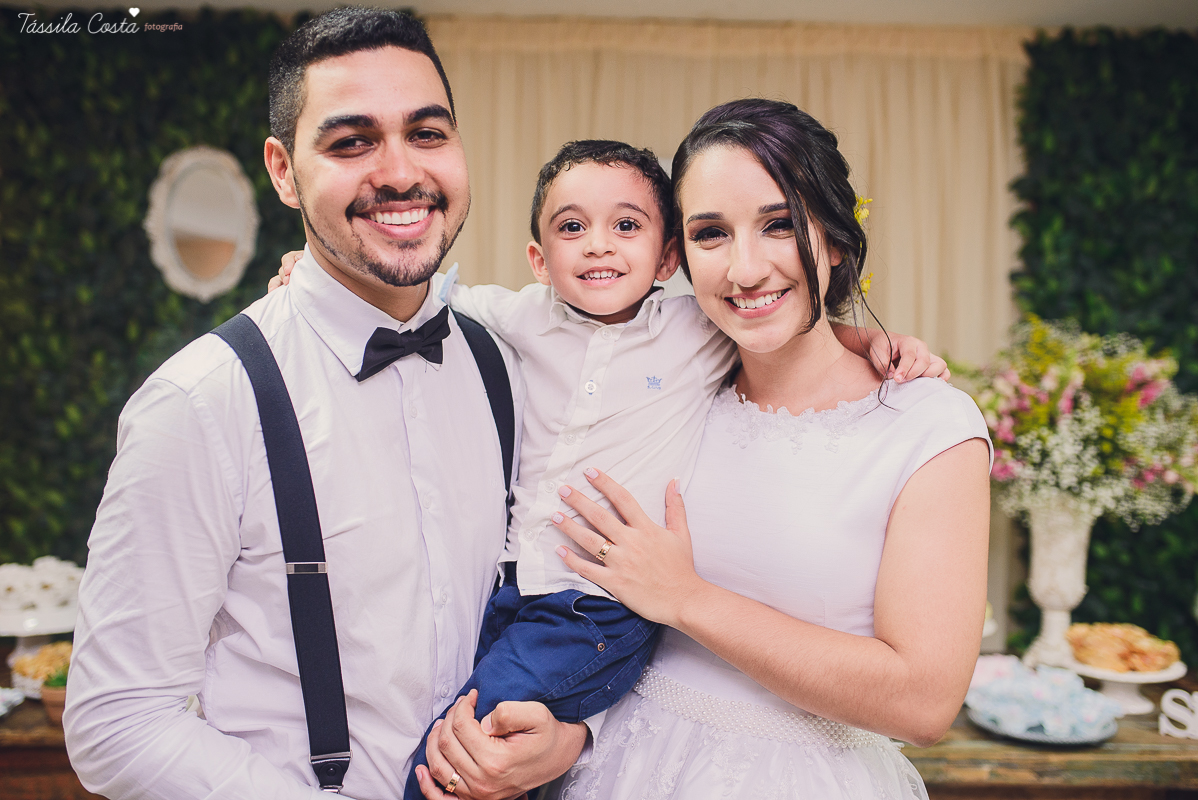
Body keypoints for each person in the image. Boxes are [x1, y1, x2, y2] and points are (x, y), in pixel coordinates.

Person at [271, 138, 947, 800]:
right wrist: (325, 277)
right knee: (491, 742)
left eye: (626, 226)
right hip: (519, 592)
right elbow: (427, 302)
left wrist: (872, 339)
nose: (598, 245)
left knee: (457, 746)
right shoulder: (518, 318)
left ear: (665, 258)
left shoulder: (696, 331)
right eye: (573, 228)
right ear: (539, 260)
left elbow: (787, 320)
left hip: (594, 608)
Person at [63, 9, 591, 799]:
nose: (401, 172)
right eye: (352, 142)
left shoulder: (509, 365)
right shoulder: (199, 403)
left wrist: (570, 736)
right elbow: (116, 721)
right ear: (284, 172)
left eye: (427, 133)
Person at [431, 99, 994, 800]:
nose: (744, 269)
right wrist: (569, 738)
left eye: (779, 224)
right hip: (616, 768)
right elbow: (635, 644)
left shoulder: (928, 425)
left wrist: (688, 599)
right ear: (680, 257)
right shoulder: (677, 387)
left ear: (836, 239)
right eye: (711, 233)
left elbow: (924, 703)